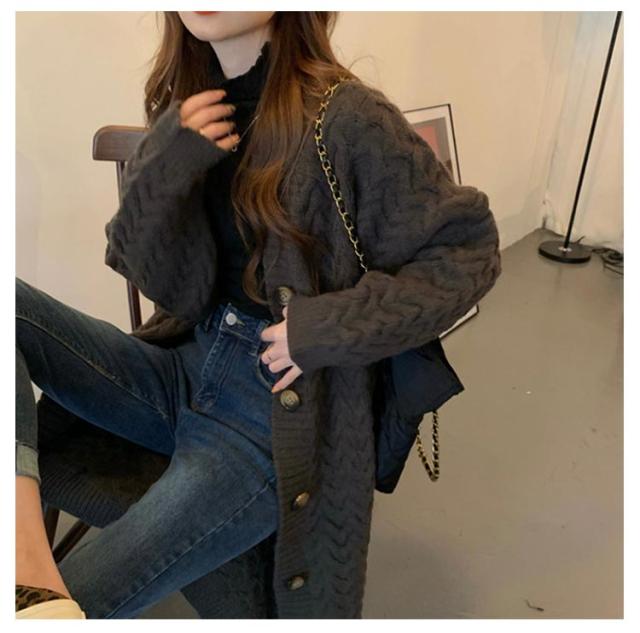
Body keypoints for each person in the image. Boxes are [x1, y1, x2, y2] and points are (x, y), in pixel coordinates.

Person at [15, 11, 502, 619]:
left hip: (269, 414)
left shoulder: (348, 117)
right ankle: (23, 553)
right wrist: (164, 164)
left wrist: (323, 328)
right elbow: (162, 282)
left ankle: (30, 586)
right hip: (184, 367)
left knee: (61, 606)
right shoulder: (192, 108)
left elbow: (468, 250)